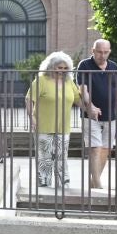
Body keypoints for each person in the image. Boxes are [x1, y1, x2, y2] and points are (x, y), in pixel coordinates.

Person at [75, 38, 117, 190]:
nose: (102, 55)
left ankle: (94, 182)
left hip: (110, 116)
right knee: (94, 147)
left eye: (106, 52)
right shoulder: (85, 65)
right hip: (91, 116)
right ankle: (98, 185)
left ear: (109, 52)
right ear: (93, 51)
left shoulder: (114, 66)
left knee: (106, 148)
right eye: (99, 52)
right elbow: (82, 90)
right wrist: (90, 107)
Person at [25, 51, 78, 191]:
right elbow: (29, 99)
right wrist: (32, 118)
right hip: (43, 124)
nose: (62, 71)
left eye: (65, 68)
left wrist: (91, 108)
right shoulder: (41, 80)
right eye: (59, 68)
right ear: (51, 67)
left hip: (63, 126)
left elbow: (79, 99)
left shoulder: (69, 82)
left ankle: (63, 184)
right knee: (45, 157)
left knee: (62, 156)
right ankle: (44, 185)